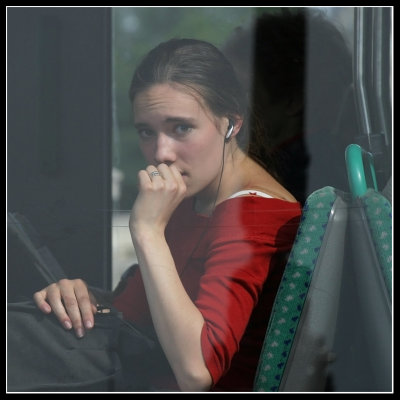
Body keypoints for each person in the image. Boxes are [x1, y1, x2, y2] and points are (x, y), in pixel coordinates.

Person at [7, 38, 301, 392]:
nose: (161, 152)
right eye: (147, 131)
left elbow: (197, 372)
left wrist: (147, 231)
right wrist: (84, 299)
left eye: (181, 128)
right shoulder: (192, 196)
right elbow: (141, 316)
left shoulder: (252, 213)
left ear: (231, 124)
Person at [223, 8, 357, 205]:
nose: (222, 105)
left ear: (292, 100)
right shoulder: (335, 167)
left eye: (239, 91)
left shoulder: (285, 186)